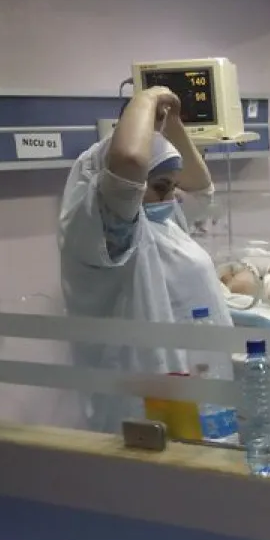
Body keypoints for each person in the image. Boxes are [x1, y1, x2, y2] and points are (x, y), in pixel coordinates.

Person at [59, 85, 233, 433]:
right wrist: (149, 96)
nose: (172, 195)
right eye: (161, 185)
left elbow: (200, 187)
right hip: (145, 409)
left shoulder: (165, 222)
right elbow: (128, 164)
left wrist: (171, 121)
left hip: (198, 397)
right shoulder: (106, 229)